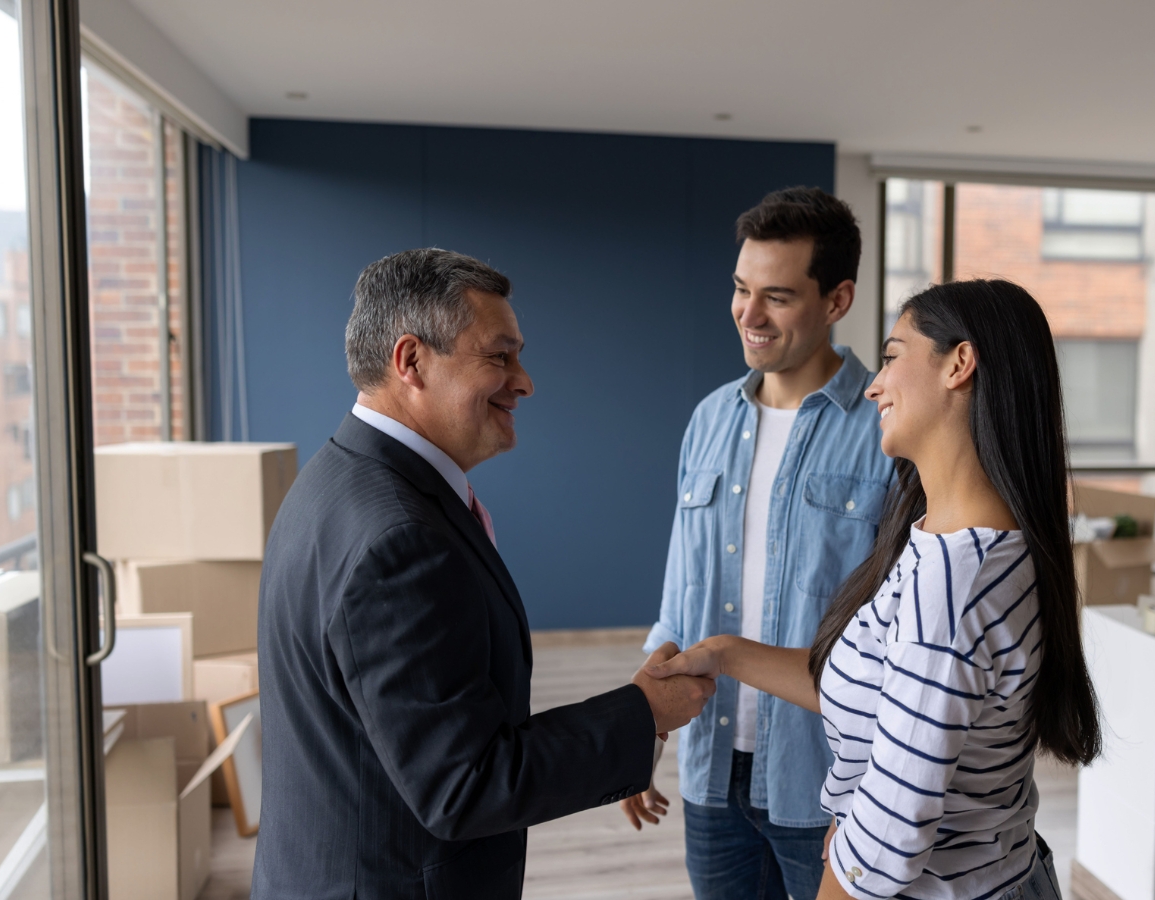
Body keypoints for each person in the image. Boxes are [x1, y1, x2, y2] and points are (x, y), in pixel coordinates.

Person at [253, 248, 716, 899]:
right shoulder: (401, 538)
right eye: (498, 357)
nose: (523, 381)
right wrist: (644, 711)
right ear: (411, 361)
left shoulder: (334, 480)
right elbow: (463, 785)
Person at [646, 279, 1102, 900]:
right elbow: (893, 698)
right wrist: (723, 653)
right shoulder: (956, 546)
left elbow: (882, 852)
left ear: (959, 365)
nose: (874, 383)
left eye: (892, 356)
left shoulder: (953, 585)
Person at [622, 187, 893, 899]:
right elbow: (680, 601)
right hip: (713, 771)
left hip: (828, 781)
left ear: (837, 301)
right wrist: (639, 738)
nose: (748, 313)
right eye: (741, 289)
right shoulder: (709, 420)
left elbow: (897, 632)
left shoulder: (885, 432)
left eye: (776, 295)